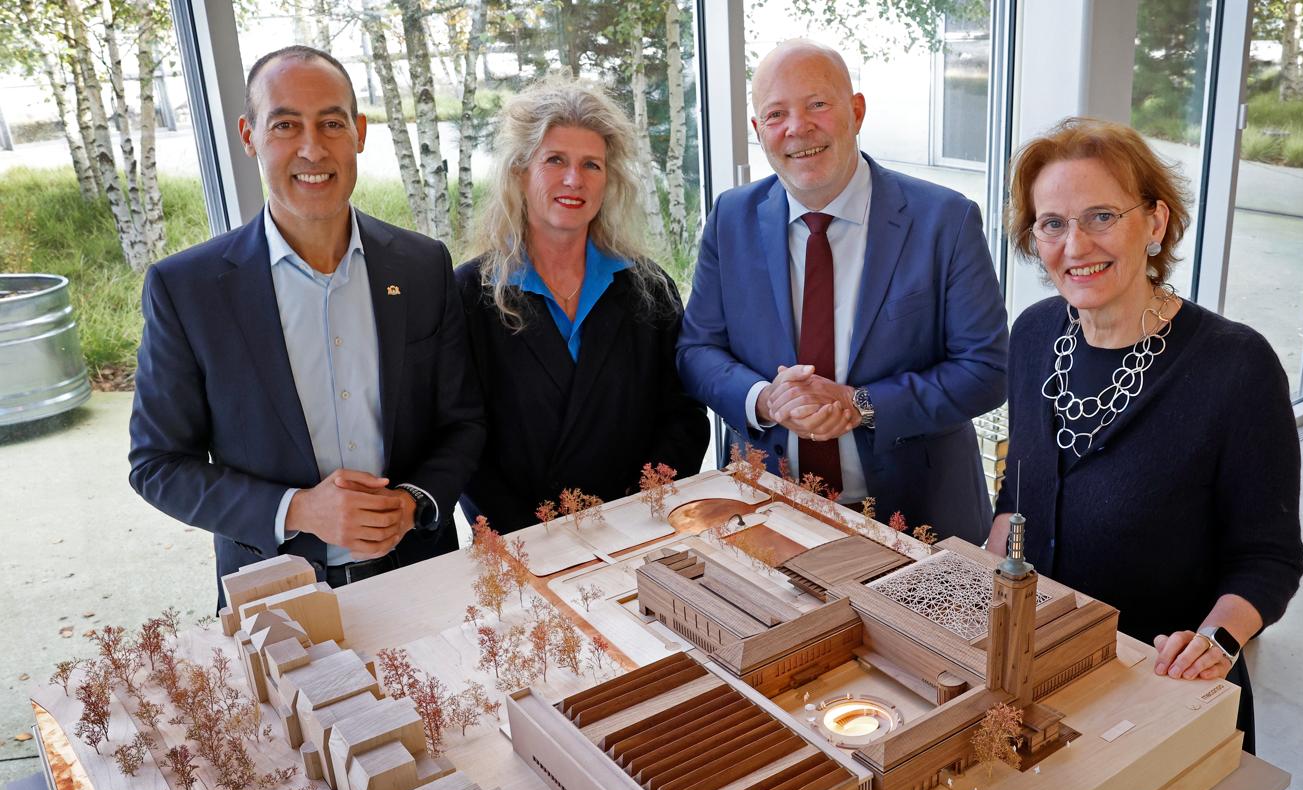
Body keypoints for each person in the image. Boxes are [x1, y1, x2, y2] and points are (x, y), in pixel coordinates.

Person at [992, 117, 1303, 790]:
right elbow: (1016, 495)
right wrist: (974, 589)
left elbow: (1268, 559)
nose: (1077, 244)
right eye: (1053, 223)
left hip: (1163, 690)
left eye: (1102, 216)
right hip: (1048, 678)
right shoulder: (1035, 335)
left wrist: (1215, 642)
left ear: (1154, 221)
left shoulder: (1237, 368)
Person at [129, 46, 485, 609]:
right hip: (275, 596)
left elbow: (463, 422)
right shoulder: (187, 290)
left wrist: (415, 502)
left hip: (421, 581)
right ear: (249, 136)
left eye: (331, 123)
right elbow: (158, 466)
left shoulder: (423, 267)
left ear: (359, 133)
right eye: (286, 124)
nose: (312, 147)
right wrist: (297, 508)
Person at [677, 40, 1009, 543]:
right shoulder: (730, 218)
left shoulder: (945, 219)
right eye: (775, 114)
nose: (797, 128)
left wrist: (860, 403)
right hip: (770, 512)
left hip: (920, 518)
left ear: (856, 111)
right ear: (758, 132)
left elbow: (987, 369)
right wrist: (764, 399)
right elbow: (697, 351)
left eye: (817, 104)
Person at [456, 76, 709, 532]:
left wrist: (640, 509)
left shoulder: (647, 288)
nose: (574, 180)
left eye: (591, 165)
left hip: (636, 532)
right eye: (555, 160)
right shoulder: (470, 292)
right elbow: (461, 439)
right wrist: (528, 538)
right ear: (520, 171)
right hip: (523, 546)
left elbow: (684, 417)